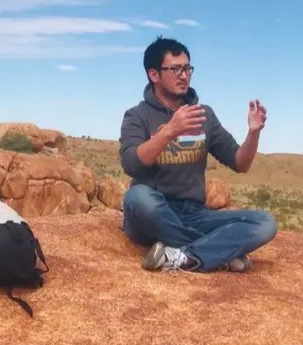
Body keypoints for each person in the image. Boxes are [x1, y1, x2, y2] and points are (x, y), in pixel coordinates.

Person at [119, 36, 277, 272]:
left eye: (187, 68)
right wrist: (170, 130)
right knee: (137, 197)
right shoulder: (137, 116)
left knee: (265, 223)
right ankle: (217, 253)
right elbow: (131, 163)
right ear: (154, 74)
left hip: (194, 214)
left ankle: (186, 256)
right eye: (175, 69)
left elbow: (239, 162)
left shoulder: (204, 115)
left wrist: (253, 133)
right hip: (154, 211)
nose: (184, 75)